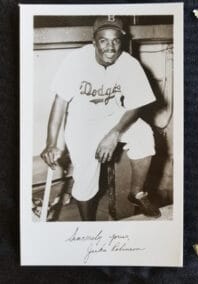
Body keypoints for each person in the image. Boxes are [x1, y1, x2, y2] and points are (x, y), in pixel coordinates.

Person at [40, 16, 161, 220]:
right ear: (94, 41)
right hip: (81, 124)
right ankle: (89, 226)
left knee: (143, 134)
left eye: (115, 40)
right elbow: (60, 103)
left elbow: (136, 104)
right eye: (104, 40)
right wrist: (51, 143)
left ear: (121, 41)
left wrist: (114, 133)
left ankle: (136, 193)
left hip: (113, 117)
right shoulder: (76, 60)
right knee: (86, 179)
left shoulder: (128, 63)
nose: (110, 47)